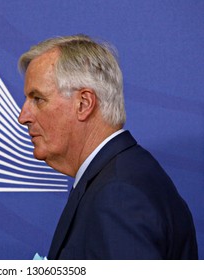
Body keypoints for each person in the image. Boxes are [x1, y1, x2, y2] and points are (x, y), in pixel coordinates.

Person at [17, 34, 198, 259]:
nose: (23, 117)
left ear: (83, 103)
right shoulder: (117, 178)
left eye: (38, 99)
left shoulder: (119, 194)